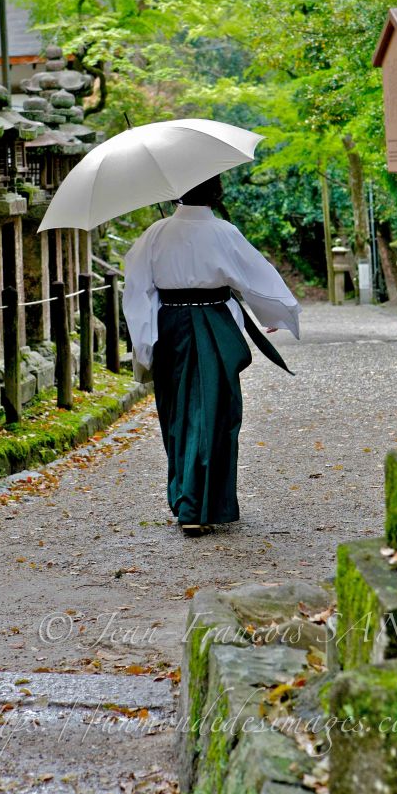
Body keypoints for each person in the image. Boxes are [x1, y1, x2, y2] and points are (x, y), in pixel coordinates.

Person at [122, 175, 300, 536]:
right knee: (217, 413)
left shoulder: (155, 234)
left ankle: (187, 500)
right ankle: (199, 505)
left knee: (178, 415)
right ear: (215, 192)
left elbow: (137, 290)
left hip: (170, 327)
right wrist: (277, 313)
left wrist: (144, 343)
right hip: (214, 323)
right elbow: (255, 274)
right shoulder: (225, 232)